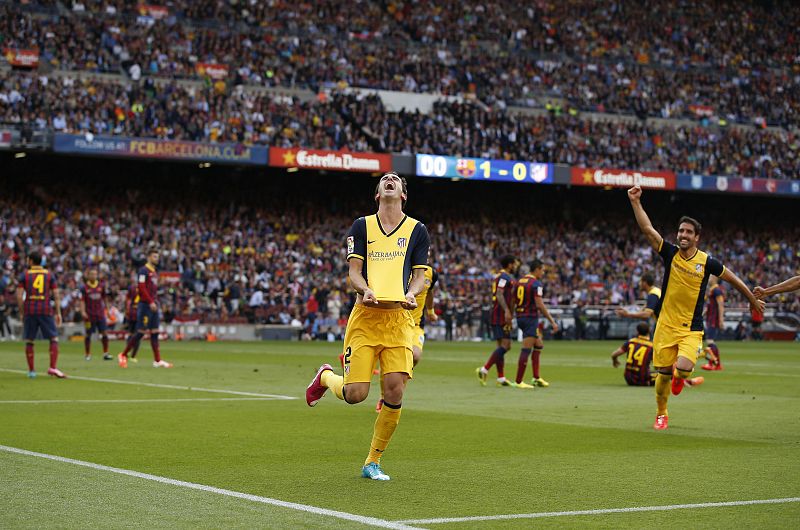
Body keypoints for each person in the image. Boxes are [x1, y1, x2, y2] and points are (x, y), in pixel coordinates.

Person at [305, 172, 430, 482]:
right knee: (355, 393)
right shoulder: (361, 226)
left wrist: (412, 294)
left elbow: (419, 275)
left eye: (396, 179)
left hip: (398, 320)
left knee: (395, 390)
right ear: (378, 194)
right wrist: (365, 289)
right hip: (366, 318)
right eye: (384, 179)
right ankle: (325, 377)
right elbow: (354, 272)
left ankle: (372, 461)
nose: (390, 179)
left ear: (403, 194)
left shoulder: (418, 230)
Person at [627, 185, 764, 431]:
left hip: (691, 328)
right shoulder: (670, 253)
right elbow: (648, 230)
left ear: (696, 237)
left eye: (688, 232)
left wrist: (751, 299)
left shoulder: (706, 262)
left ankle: (681, 379)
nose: (683, 235)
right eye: (680, 230)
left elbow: (732, 278)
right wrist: (635, 202)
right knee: (662, 376)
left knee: (682, 369)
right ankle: (661, 414)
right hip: (665, 326)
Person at [376, 257, 438, 412]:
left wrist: (430, 311)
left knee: (415, 356)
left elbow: (430, 292)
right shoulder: (399, 269)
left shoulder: (431, 273)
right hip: (396, 323)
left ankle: (395, 391)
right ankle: (384, 397)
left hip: (416, 325)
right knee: (389, 362)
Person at [118, 247, 173, 368]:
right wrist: (150, 302)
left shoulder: (154, 272)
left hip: (154, 304)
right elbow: (141, 288)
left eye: (157, 257)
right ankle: (123, 354)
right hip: (145, 305)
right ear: (149, 257)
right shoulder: (143, 270)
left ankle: (157, 360)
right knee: (140, 332)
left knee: (155, 332)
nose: (156, 259)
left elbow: (151, 288)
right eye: (154, 256)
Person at [16, 251, 65, 378]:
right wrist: (58, 312)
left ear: (31, 261)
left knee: (29, 340)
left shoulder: (25, 275)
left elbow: (19, 296)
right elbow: (56, 294)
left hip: (30, 310)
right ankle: (52, 368)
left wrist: (22, 312)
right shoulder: (49, 275)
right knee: (53, 338)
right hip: (45, 309)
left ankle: (32, 371)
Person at [611, 322, 704, 388]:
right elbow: (659, 367)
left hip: (628, 378)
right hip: (642, 379)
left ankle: (687, 382)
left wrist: (615, 360)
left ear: (637, 331)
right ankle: (688, 382)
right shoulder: (651, 346)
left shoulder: (630, 342)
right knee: (666, 374)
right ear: (649, 331)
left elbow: (614, 354)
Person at [514, 260, 559, 388]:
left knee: (538, 344)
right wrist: (552, 321)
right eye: (543, 270)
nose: (543, 272)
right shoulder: (536, 284)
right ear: (537, 269)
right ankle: (518, 381)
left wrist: (510, 313)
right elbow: (539, 304)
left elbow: (513, 300)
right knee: (526, 349)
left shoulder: (519, 282)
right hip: (530, 318)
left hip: (520, 316)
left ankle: (536, 377)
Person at [476, 255, 519, 387]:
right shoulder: (504, 277)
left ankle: (501, 377)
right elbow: (499, 293)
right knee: (506, 345)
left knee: (501, 346)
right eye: (515, 264)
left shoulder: (499, 277)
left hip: (497, 313)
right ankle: (484, 369)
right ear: (510, 264)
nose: (516, 266)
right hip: (500, 315)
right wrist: (507, 311)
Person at [80, 267, 112, 361]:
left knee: (104, 333)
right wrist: (83, 311)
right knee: (88, 334)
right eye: (92, 274)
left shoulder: (101, 286)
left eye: (95, 274)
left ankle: (106, 353)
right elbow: (82, 301)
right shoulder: (84, 288)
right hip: (89, 314)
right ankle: (87, 354)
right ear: (88, 275)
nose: (94, 276)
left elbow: (105, 299)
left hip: (100, 314)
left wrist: (108, 310)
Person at [701, 276, 724, 370]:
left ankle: (714, 364)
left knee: (710, 341)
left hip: (714, 319)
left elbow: (721, 305)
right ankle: (715, 364)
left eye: (711, 276)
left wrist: (721, 319)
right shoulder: (712, 290)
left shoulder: (717, 290)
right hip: (710, 319)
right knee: (710, 341)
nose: (709, 277)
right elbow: (709, 306)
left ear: (715, 278)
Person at [123, 274, 142, 362]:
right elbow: (127, 300)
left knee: (132, 334)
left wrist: (127, 310)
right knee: (137, 334)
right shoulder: (142, 288)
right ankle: (132, 356)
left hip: (133, 312)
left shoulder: (132, 288)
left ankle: (127, 353)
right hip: (138, 313)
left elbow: (127, 300)